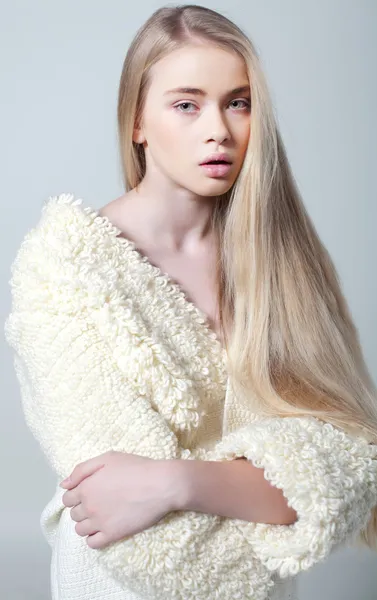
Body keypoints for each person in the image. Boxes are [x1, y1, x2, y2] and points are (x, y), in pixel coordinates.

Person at [4, 4, 377, 600]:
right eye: (186, 104)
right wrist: (278, 498)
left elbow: (356, 468)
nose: (219, 131)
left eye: (238, 102)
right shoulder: (66, 267)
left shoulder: (288, 266)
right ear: (137, 122)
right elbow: (143, 540)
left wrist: (177, 480)